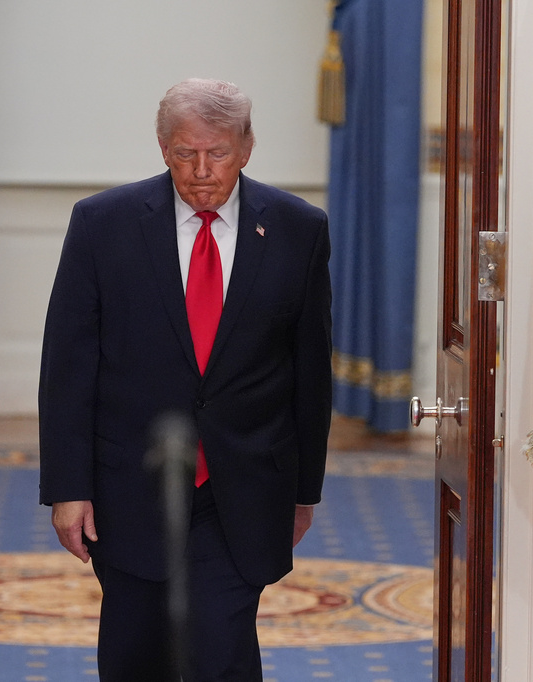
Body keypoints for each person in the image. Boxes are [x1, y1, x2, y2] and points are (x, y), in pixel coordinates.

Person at [38, 77, 333, 681]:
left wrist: (304, 490)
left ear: (247, 147)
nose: (201, 170)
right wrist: (68, 487)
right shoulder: (102, 224)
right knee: (135, 649)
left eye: (217, 153)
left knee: (217, 647)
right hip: (130, 483)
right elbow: (68, 366)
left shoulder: (299, 229)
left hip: (243, 486)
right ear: (162, 146)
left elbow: (309, 371)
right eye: (184, 153)